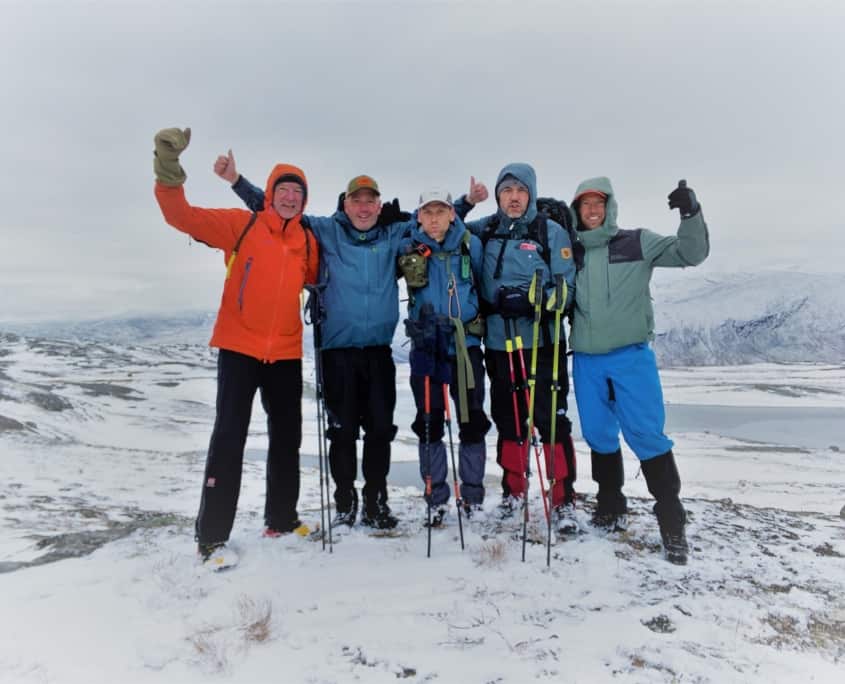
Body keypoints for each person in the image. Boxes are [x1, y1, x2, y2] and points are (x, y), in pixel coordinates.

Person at [152, 128, 319, 566]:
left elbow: (320, 278)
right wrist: (168, 166)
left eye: (296, 193)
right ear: (269, 194)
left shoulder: (307, 241)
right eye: (282, 190)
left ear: (304, 201)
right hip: (239, 347)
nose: (289, 198)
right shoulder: (240, 225)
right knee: (229, 438)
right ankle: (211, 539)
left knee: (287, 438)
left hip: (284, 352)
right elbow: (181, 216)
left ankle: (280, 518)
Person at [568, 177, 709, 565]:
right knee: (598, 433)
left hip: (631, 357)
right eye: (585, 205)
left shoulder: (637, 241)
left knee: (647, 433)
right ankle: (611, 505)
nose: (592, 210)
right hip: (586, 359)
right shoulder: (571, 252)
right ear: (576, 211)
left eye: (599, 203)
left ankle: (671, 519)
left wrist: (690, 213)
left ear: (610, 206)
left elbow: (690, 253)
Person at [457, 163, 578, 535]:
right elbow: (447, 231)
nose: (513, 197)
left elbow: (566, 288)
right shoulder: (486, 229)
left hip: (543, 342)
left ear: (531, 194)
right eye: (506, 190)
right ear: (496, 195)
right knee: (510, 421)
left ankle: (563, 501)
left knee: (550, 420)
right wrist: (464, 204)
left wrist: (534, 302)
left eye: (520, 190)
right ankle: (513, 494)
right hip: (498, 342)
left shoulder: (550, 232)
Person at [399, 189, 491, 526]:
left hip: (466, 348)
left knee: (472, 424)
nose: (434, 218)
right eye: (428, 212)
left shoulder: (470, 244)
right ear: (419, 216)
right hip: (426, 349)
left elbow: (483, 285)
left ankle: (473, 499)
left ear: (452, 214)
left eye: (441, 211)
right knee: (429, 425)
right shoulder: (408, 247)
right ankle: (436, 499)